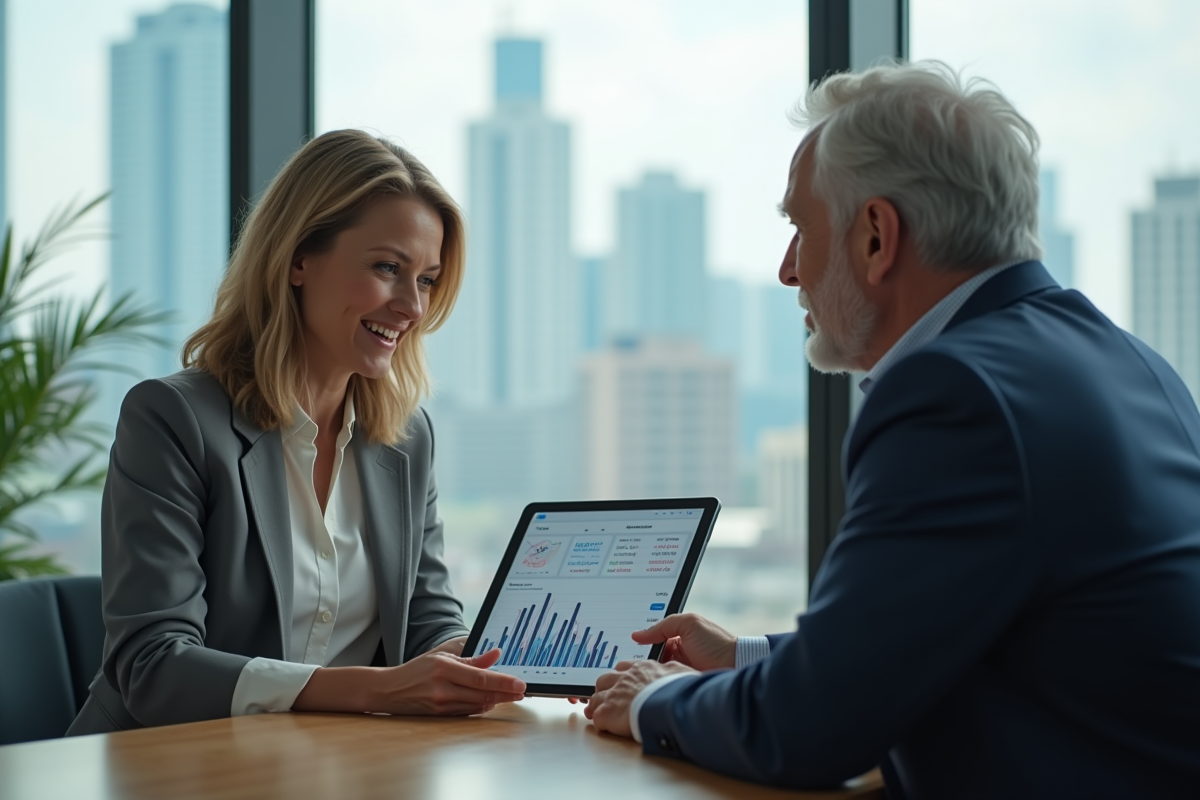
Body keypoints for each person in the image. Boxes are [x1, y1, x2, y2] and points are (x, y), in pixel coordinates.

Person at [584, 62, 1200, 798]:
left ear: (877, 237)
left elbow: (809, 730)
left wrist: (650, 700)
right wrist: (745, 655)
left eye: (800, 231)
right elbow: (964, 638)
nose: (788, 272)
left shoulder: (955, 392)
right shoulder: (1131, 362)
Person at [69, 130, 525, 734]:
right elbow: (154, 666)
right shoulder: (172, 419)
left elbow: (427, 618)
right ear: (297, 259)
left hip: (327, 767)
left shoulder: (406, 439)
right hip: (166, 766)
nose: (413, 308)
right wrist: (377, 689)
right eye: (388, 268)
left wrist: (491, 662)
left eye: (426, 280)